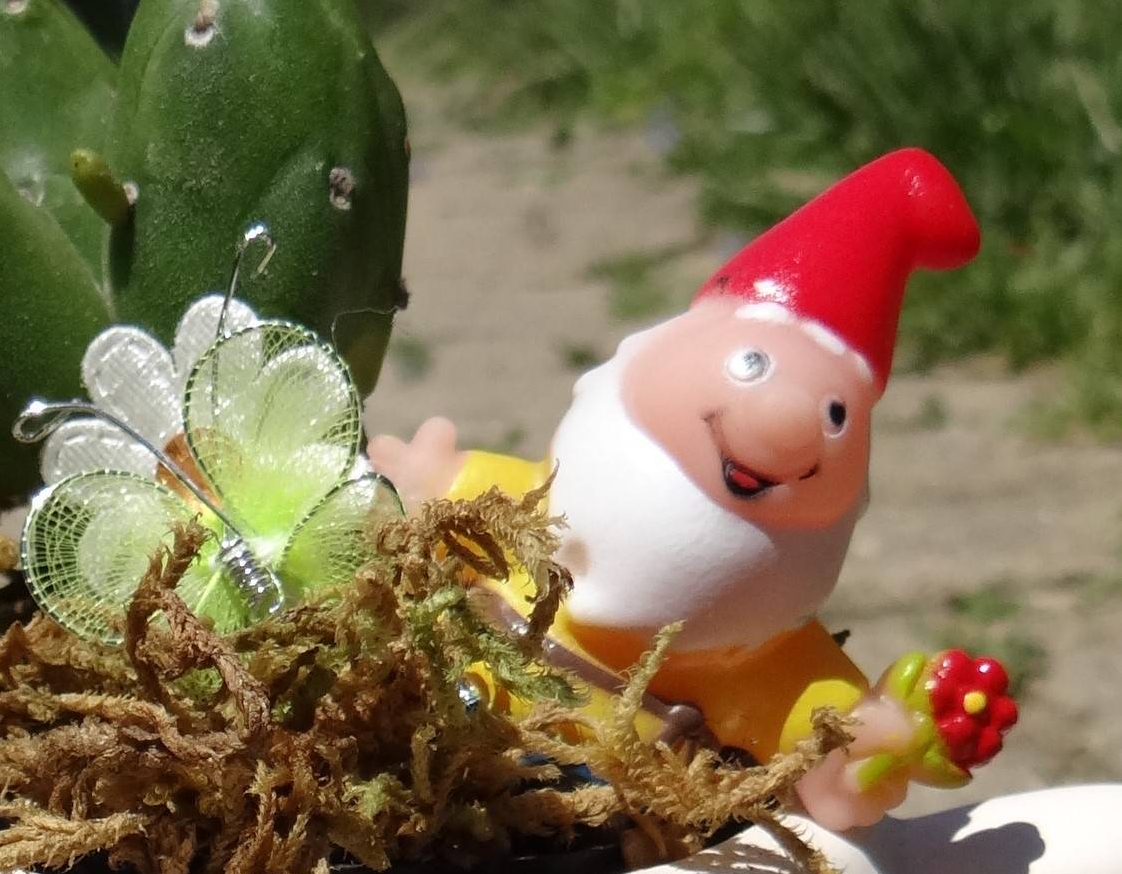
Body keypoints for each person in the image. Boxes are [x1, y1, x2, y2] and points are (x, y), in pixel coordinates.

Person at [370, 148, 986, 830]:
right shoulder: (526, 510)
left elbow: (821, 739)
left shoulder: (764, 654)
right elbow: (436, 508)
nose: (784, 424)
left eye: (834, 416)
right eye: (751, 366)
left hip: (596, 834)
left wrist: (870, 745)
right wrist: (422, 487)